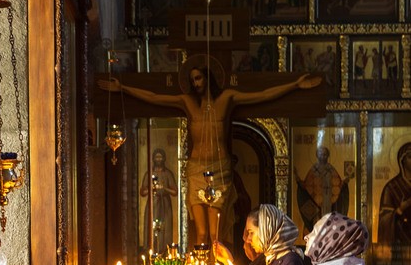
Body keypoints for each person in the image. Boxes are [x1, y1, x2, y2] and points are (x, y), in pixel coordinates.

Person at [99, 61, 321, 249]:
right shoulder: (187, 103)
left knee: (216, 236)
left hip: (219, 171)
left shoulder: (227, 98)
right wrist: (123, 89)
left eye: (199, 79)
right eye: (193, 80)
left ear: (208, 78)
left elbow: (262, 95)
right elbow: (154, 97)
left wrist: (295, 85)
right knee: (201, 234)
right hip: (196, 170)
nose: (196, 84)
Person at [295, 145, 350, 235]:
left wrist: (344, 183)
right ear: (317, 155)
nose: (323, 156)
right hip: (316, 201)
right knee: (317, 220)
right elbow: (307, 185)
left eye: (325, 154)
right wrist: (299, 180)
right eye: (321, 154)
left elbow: (337, 184)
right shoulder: (314, 169)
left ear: (328, 156)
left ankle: (329, 235)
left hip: (328, 200)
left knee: (329, 219)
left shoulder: (330, 169)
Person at [140, 147, 178, 253]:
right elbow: (142, 192)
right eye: (156, 157)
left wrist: (165, 188)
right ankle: (151, 252)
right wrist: (151, 188)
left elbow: (175, 192)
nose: (158, 159)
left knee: (165, 230)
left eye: (160, 157)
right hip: (153, 204)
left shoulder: (168, 174)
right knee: (152, 229)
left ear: (164, 159)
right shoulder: (149, 174)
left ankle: (165, 252)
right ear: (153, 159)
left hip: (165, 205)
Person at [377, 141, 411, 256]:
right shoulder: (391, 187)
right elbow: (383, 220)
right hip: (399, 243)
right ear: (402, 160)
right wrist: (400, 210)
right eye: (410, 157)